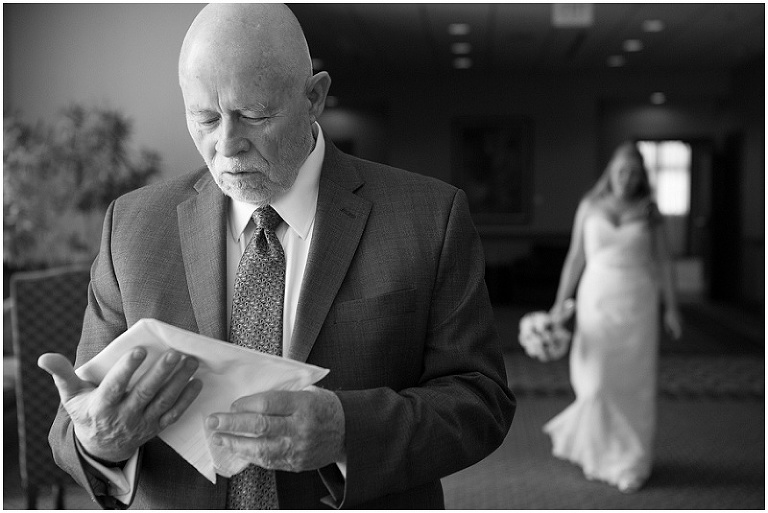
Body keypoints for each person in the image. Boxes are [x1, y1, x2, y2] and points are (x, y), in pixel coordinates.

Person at [38, 3, 515, 509]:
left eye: (254, 115)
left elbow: (480, 400)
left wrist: (348, 431)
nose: (227, 145)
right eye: (204, 117)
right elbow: (79, 419)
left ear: (314, 97)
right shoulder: (132, 227)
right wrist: (98, 442)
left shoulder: (428, 218)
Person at [543, 141, 683, 493]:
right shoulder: (590, 205)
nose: (627, 178)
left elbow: (664, 262)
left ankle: (630, 460)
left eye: (634, 173)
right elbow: (575, 258)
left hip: (637, 304)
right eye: (622, 170)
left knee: (633, 386)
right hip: (596, 302)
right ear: (611, 171)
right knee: (595, 382)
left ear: (641, 178)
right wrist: (560, 305)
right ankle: (598, 452)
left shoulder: (650, 212)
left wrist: (672, 307)